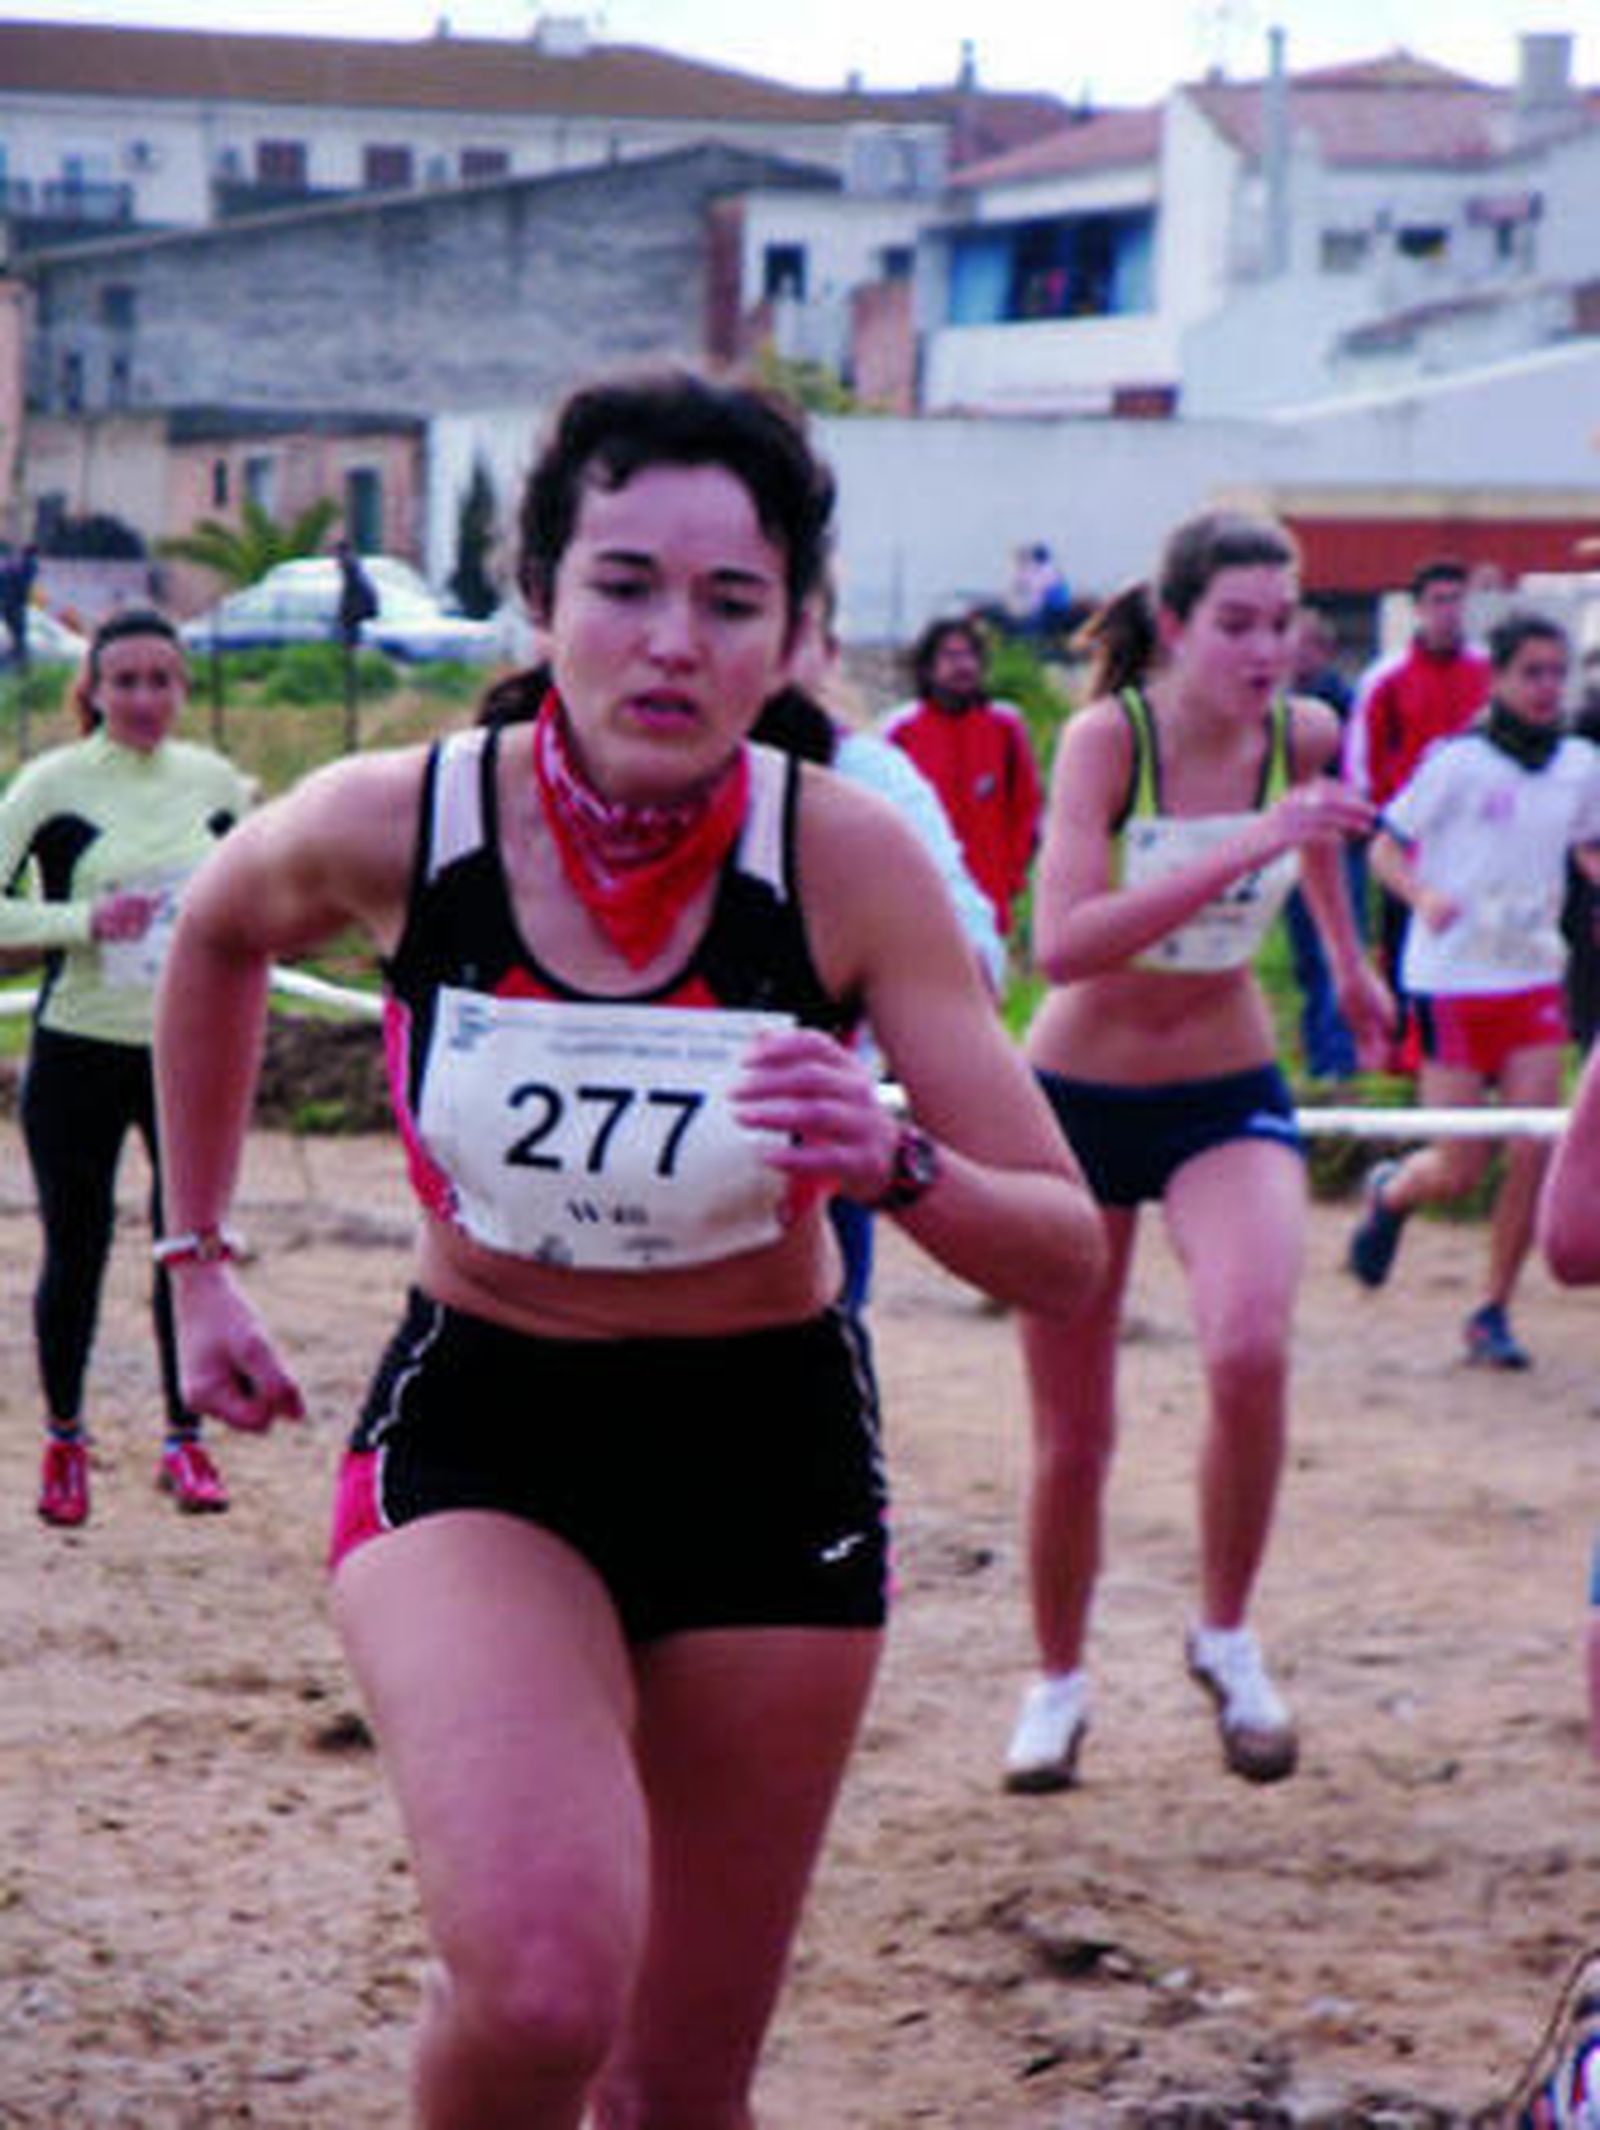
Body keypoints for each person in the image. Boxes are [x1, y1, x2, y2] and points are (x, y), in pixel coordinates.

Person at [152, 369, 1105, 2130]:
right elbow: (212, 937)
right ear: (539, 600)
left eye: (731, 601)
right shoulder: (403, 821)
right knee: (537, 1987)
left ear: (799, 637)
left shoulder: (849, 866)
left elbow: (1059, 1251)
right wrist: (194, 1256)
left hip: (767, 1455)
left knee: (677, 2088)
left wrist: (893, 1156)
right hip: (487, 1424)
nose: (673, 642)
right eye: (625, 585)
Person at [1001, 508, 1391, 1795]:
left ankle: (1224, 1637)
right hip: (1080, 1093)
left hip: (1226, 1082)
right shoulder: (1110, 741)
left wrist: (1347, 962)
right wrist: (1251, 842)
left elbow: (1320, 839)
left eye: (1285, 623)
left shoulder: (1309, 734)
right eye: (1236, 625)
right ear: (1173, 628)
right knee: (1075, 1430)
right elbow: (1063, 942)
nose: (1267, 649)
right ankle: (1057, 1682)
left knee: (1250, 1344)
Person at [0, 607, 253, 1526]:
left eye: (163, 681)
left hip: (189, 1058)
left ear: (183, 688)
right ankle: (65, 1442)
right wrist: (79, 923)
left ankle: (184, 1442)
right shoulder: (51, 783)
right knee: (79, 1248)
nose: (146, 698)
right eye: (126, 682)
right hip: (78, 1049)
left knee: (188, 1249)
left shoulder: (217, 782)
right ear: (94, 690)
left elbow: (263, 902)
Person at [1346, 610, 1600, 1371]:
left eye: (1559, 674)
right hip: (1454, 976)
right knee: (1461, 1165)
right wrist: (1421, 896)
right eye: (1532, 673)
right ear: (1500, 678)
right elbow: (1386, 845)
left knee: (1531, 1148)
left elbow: (1588, 844)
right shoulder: (1457, 762)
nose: (1548, 689)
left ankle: (1491, 1309)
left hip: (1530, 972)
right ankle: (1393, 1191)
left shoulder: (1581, 764)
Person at [1346, 559, 1492, 1066]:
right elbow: (1361, 762)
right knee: (1403, 939)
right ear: (1419, 608)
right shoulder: (1385, 678)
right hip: (1408, 837)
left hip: (1479, 836)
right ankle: (1400, 1048)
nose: (1449, 612)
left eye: (1457, 600)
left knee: (1477, 937)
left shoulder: (1488, 670)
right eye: (1439, 601)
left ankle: (1477, 1051)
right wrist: (1381, 826)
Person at [880, 614, 1043, 941]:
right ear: (927, 667)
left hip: (989, 903)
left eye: (970, 655)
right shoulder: (900, 732)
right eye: (950, 656)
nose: (963, 665)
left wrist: (1011, 878)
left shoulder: (1005, 727)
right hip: (922, 901)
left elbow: (1028, 808)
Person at [1280, 604, 1362, 1082]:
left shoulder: (1341, 702)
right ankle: (1319, 1057)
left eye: (1308, 643)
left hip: (1333, 838)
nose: (1297, 652)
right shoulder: (1269, 703)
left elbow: (1359, 767)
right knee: (1307, 959)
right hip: (1286, 839)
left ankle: (1339, 1061)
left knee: (1337, 948)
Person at [0, 543, 40, 668]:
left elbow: (21, 584)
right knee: (18, 633)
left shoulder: (20, 565)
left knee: (17, 633)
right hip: (14, 603)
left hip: (12, 603)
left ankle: (19, 658)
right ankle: (20, 658)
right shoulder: (25, 565)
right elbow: (23, 585)